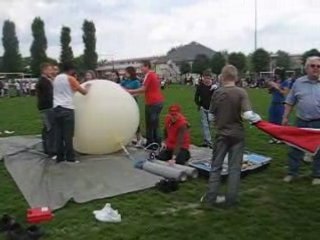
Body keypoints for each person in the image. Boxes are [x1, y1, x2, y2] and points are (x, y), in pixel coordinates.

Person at [201, 65, 260, 207]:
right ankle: (231, 200)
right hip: (237, 135)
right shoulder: (241, 92)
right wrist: (258, 119)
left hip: (221, 135)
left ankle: (211, 198)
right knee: (234, 168)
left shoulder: (217, 92)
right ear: (236, 78)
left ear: (222, 77)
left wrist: (218, 120)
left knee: (216, 167)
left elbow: (210, 116)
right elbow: (248, 115)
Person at [282, 56, 320, 185]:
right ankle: (292, 173)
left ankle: (317, 175)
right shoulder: (298, 82)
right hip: (301, 121)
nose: (316, 68)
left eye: (318, 66)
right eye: (313, 66)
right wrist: (285, 116)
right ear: (306, 68)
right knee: (295, 148)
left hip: (318, 122)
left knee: (318, 150)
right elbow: (290, 101)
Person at [53, 62, 90, 163]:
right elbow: (84, 92)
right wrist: (87, 87)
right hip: (67, 109)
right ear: (71, 70)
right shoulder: (71, 79)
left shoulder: (56, 78)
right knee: (68, 135)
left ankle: (59, 157)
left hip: (56, 108)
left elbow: (65, 91)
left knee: (58, 135)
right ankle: (70, 158)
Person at [127, 61, 164, 149]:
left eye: (141, 67)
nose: (140, 69)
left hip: (153, 103)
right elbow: (148, 90)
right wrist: (133, 94)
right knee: (155, 124)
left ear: (147, 66)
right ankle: (156, 142)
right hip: (158, 102)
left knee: (150, 125)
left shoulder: (149, 75)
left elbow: (144, 89)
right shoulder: (153, 74)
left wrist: (130, 91)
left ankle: (151, 144)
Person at [35, 63, 56, 157]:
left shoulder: (45, 80)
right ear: (44, 70)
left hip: (45, 107)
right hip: (47, 107)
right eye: (50, 69)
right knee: (50, 129)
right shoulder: (44, 81)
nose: (52, 71)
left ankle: (47, 148)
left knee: (46, 128)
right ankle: (51, 151)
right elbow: (49, 95)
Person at [194, 70, 218, 148]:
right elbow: (196, 97)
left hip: (212, 109)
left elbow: (218, 97)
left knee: (211, 126)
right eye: (205, 78)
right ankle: (208, 142)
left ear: (211, 78)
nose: (207, 80)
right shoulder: (200, 86)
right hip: (203, 109)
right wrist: (199, 105)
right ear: (203, 78)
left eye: (208, 78)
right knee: (205, 125)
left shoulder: (214, 87)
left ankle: (209, 141)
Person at [266, 69, 290, 144]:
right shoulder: (275, 81)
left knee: (280, 121)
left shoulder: (285, 82)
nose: (274, 75)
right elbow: (269, 92)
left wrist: (276, 87)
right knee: (272, 121)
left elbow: (284, 93)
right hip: (273, 103)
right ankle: (273, 137)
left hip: (280, 103)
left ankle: (282, 138)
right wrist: (270, 86)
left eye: (276, 73)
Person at [121, 66, 143, 146]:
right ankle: (129, 138)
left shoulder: (136, 82)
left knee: (135, 120)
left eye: (126, 72)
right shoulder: (125, 81)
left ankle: (139, 139)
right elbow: (120, 87)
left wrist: (130, 96)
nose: (125, 74)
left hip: (133, 103)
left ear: (130, 73)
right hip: (124, 104)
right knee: (126, 121)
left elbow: (138, 93)